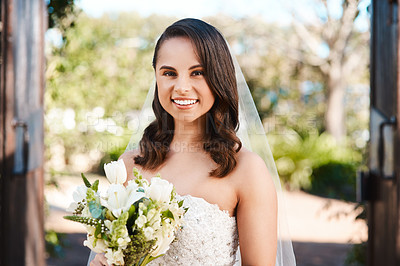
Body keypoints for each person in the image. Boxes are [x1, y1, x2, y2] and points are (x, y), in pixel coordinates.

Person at [90, 18, 295, 266]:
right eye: (169, 73)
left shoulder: (246, 170)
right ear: (156, 77)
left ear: (219, 77)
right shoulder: (128, 166)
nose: (182, 87)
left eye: (197, 73)